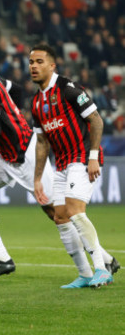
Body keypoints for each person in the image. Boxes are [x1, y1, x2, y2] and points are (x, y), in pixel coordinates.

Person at [0, 44, 118, 286]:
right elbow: (14, 90)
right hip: (5, 155)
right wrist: (14, 114)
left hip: (24, 153)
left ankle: (104, 260)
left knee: (58, 213)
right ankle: (2, 259)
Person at [29, 43, 119, 288]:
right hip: (61, 164)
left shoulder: (68, 89)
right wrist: (37, 178)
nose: (33, 66)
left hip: (82, 157)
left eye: (39, 61)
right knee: (60, 217)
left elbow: (96, 120)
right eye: (31, 62)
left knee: (75, 212)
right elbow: (41, 142)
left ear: (52, 65)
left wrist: (92, 156)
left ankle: (102, 269)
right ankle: (86, 273)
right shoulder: (36, 102)